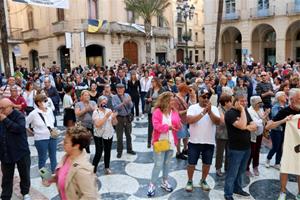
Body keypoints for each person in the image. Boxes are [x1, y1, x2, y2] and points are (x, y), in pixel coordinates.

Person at [43, 125, 99, 199]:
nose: (62, 143)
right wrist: (53, 178)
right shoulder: (67, 156)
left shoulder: (83, 170)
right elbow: (67, 176)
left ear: (76, 146)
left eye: (66, 142)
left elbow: (90, 197)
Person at [265, 88, 300, 200]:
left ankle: (299, 193)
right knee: (285, 167)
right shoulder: (284, 111)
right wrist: (283, 121)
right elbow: (268, 126)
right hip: (289, 144)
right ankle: (283, 192)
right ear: (292, 99)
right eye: (299, 98)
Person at [147, 92, 182, 197]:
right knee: (158, 164)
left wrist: (178, 124)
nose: (174, 102)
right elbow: (156, 126)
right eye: (171, 100)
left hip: (171, 141)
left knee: (167, 163)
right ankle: (152, 184)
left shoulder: (174, 111)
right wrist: (169, 127)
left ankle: (164, 181)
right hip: (160, 141)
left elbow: (178, 123)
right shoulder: (157, 112)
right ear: (165, 101)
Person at [185, 88, 220, 192]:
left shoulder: (214, 108)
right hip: (194, 141)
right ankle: (190, 181)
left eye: (207, 97)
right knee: (191, 164)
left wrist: (210, 113)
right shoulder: (192, 107)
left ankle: (203, 180)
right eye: (203, 96)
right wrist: (203, 113)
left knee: (207, 164)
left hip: (209, 142)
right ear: (198, 97)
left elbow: (218, 122)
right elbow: (190, 120)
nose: (206, 99)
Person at [224, 94, 257, 200]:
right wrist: (242, 111)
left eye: (245, 101)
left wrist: (245, 126)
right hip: (235, 148)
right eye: (242, 101)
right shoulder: (230, 113)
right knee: (232, 172)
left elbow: (254, 126)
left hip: (246, 147)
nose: (244, 103)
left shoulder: (246, 111)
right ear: (236, 101)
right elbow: (242, 126)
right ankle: (228, 193)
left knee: (241, 171)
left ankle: (237, 189)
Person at [0, 98, 31, 200]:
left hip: (21, 151)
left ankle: (25, 192)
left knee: (24, 173)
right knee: (7, 177)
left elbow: (19, 129)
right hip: (6, 152)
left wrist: (5, 119)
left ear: (10, 107)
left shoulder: (19, 116)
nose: (1, 110)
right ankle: (5, 196)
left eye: (3, 108)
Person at [26, 94, 57, 173]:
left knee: (53, 157)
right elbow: (25, 124)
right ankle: (45, 177)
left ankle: (55, 176)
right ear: (39, 103)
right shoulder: (33, 113)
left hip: (52, 137)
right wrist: (32, 132)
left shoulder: (49, 110)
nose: (47, 102)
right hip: (40, 139)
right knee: (42, 158)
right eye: (45, 101)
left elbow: (52, 122)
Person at [92, 96, 118, 174]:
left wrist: (113, 118)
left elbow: (115, 123)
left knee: (107, 151)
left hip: (109, 134)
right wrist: (106, 116)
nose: (104, 104)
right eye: (103, 102)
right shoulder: (95, 112)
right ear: (99, 103)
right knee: (99, 153)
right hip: (99, 135)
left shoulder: (109, 110)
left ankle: (107, 167)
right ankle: (93, 169)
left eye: (105, 102)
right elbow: (98, 124)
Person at [246, 96, 269, 176]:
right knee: (251, 151)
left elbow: (263, 121)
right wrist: (264, 117)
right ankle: (247, 168)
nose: (261, 104)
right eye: (259, 103)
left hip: (259, 134)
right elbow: (256, 123)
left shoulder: (260, 109)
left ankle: (255, 166)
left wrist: (266, 116)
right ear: (254, 103)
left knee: (257, 151)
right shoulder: (249, 111)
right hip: (252, 135)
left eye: (261, 102)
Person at [112, 83, 136, 158]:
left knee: (129, 134)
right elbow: (115, 107)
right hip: (119, 118)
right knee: (119, 136)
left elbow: (131, 106)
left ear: (124, 89)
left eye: (121, 88)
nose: (120, 90)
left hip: (127, 117)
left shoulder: (127, 95)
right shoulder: (114, 97)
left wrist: (129, 102)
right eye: (118, 88)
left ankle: (129, 149)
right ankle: (119, 151)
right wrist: (123, 103)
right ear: (116, 89)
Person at [265, 91, 287, 169]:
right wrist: (285, 118)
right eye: (284, 95)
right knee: (275, 146)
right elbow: (275, 117)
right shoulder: (275, 107)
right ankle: (268, 159)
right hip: (276, 130)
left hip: (283, 130)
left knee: (280, 147)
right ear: (279, 98)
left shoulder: (286, 106)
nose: (285, 96)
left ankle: (277, 162)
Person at [215, 94, 232, 177]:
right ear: (226, 103)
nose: (232, 103)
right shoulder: (219, 109)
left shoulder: (230, 109)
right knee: (220, 152)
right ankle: (218, 168)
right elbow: (223, 121)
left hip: (229, 134)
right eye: (230, 101)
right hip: (221, 134)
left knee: (229, 152)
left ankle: (227, 167)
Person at [145, 77, 165, 148]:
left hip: (159, 110)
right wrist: (148, 99)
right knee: (150, 126)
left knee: (159, 126)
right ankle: (149, 142)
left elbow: (165, 100)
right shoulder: (150, 90)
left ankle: (157, 140)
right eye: (151, 81)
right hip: (151, 110)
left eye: (153, 81)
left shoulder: (162, 90)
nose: (152, 83)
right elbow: (145, 98)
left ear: (157, 82)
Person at [173, 83, 190, 160]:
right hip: (179, 121)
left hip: (184, 120)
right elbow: (177, 112)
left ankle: (185, 149)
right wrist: (187, 110)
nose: (187, 93)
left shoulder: (182, 97)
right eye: (186, 91)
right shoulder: (176, 99)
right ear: (183, 90)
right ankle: (178, 152)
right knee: (179, 137)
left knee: (186, 136)